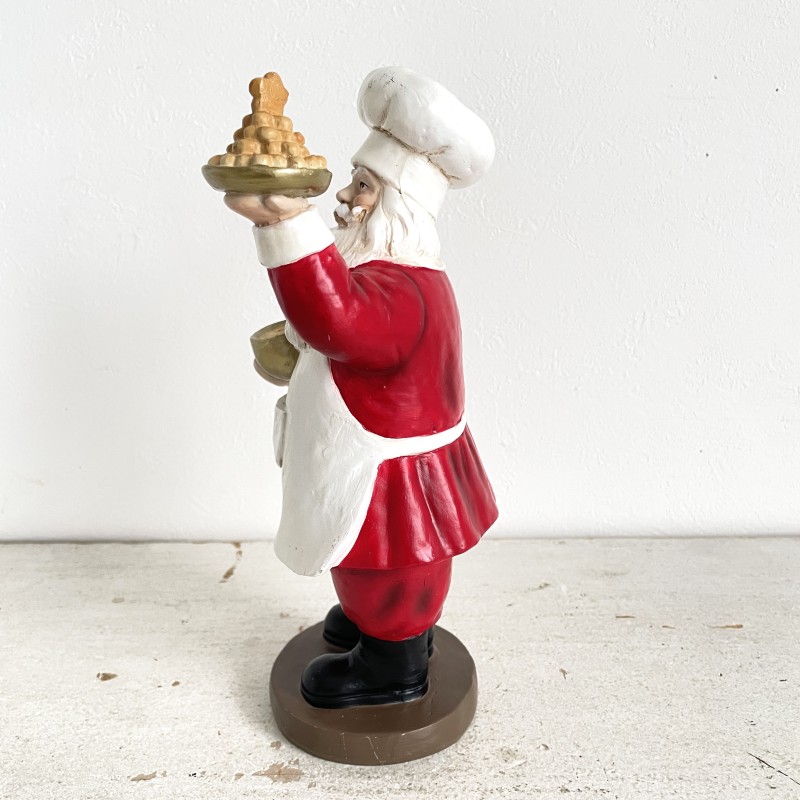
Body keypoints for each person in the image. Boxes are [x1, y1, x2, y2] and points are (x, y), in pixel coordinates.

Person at [224, 66, 498, 709]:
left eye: (364, 186)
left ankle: (393, 662)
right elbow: (337, 332)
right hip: (374, 455)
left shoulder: (403, 290)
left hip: (387, 472)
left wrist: (286, 223)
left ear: (398, 204)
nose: (345, 197)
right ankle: (379, 630)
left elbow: (338, 319)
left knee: (387, 566)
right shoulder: (394, 275)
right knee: (361, 559)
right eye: (354, 179)